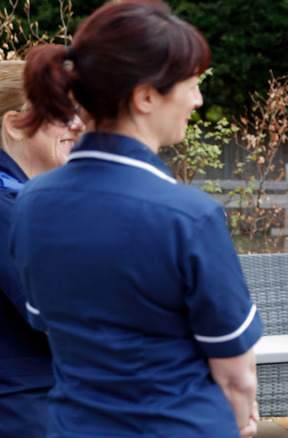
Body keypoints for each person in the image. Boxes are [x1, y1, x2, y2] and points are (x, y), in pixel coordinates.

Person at [9, 1, 263, 437]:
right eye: (191, 85)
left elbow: (47, 323)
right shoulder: (189, 215)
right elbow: (236, 377)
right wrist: (239, 421)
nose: (198, 100)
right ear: (145, 96)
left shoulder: (31, 201)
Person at [0, 60, 85, 437]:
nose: (78, 125)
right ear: (14, 124)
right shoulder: (9, 211)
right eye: (62, 114)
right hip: (27, 412)